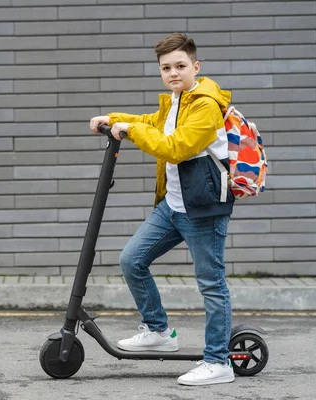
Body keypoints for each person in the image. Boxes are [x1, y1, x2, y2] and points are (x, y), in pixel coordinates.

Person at [89, 33, 235, 386]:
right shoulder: (176, 100)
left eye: (180, 66)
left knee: (211, 285)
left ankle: (219, 362)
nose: (173, 73)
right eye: (166, 67)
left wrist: (132, 130)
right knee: (132, 260)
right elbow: (153, 122)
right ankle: (158, 330)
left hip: (202, 210)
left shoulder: (204, 105)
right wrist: (112, 118)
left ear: (195, 67)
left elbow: (175, 148)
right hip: (172, 206)